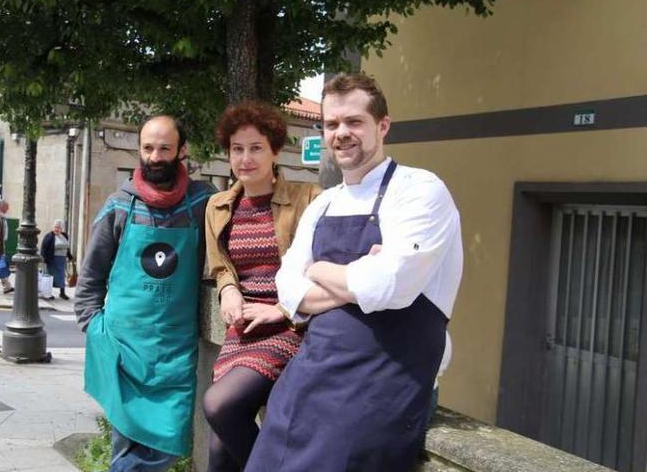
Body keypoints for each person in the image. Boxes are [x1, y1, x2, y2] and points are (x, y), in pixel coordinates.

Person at [245, 73, 463, 472]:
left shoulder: (420, 191)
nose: (341, 133)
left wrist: (321, 267)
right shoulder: (324, 204)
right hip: (309, 377)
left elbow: (389, 285)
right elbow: (288, 289)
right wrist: (356, 274)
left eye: (354, 122)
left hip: (379, 388)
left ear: (382, 125)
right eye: (331, 124)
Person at [76, 115, 216, 472]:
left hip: (174, 353)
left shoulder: (203, 203)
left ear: (181, 151)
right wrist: (95, 330)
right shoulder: (119, 206)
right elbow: (90, 278)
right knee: (125, 449)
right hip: (124, 351)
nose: (155, 156)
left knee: (167, 446)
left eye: (164, 148)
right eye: (148, 148)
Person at [201, 102, 321, 472]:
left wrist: (282, 310)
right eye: (237, 149)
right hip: (242, 329)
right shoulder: (218, 206)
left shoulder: (309, 198)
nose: (245, 158)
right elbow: (221, 268)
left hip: (288, 326)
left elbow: (319, 270)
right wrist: (228, 290)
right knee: (220, 451)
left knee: (219, 405)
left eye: (255, 148)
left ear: (274, 150)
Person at [40, 219, 74, 300]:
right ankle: (48, 293)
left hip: (62, 260)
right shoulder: (49, 236)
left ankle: (62, 293)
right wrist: (44, 259)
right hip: (52, 259)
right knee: (50, 277)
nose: (56, 229)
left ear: (62, 228)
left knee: (61, 277)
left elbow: (67, 248)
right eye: (55, 227)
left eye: (58, 227)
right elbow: (44, 248)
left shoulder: (64, 235)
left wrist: (70, 257)